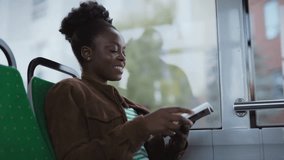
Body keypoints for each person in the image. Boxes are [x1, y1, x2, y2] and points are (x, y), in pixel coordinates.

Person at [45, 1, 193, 160]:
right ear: (87, 53)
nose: (123, 58)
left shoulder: (126, 103)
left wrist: (178, 140)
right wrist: (142, 127)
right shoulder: (69, 91)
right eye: (113, 50)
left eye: (124, 51)